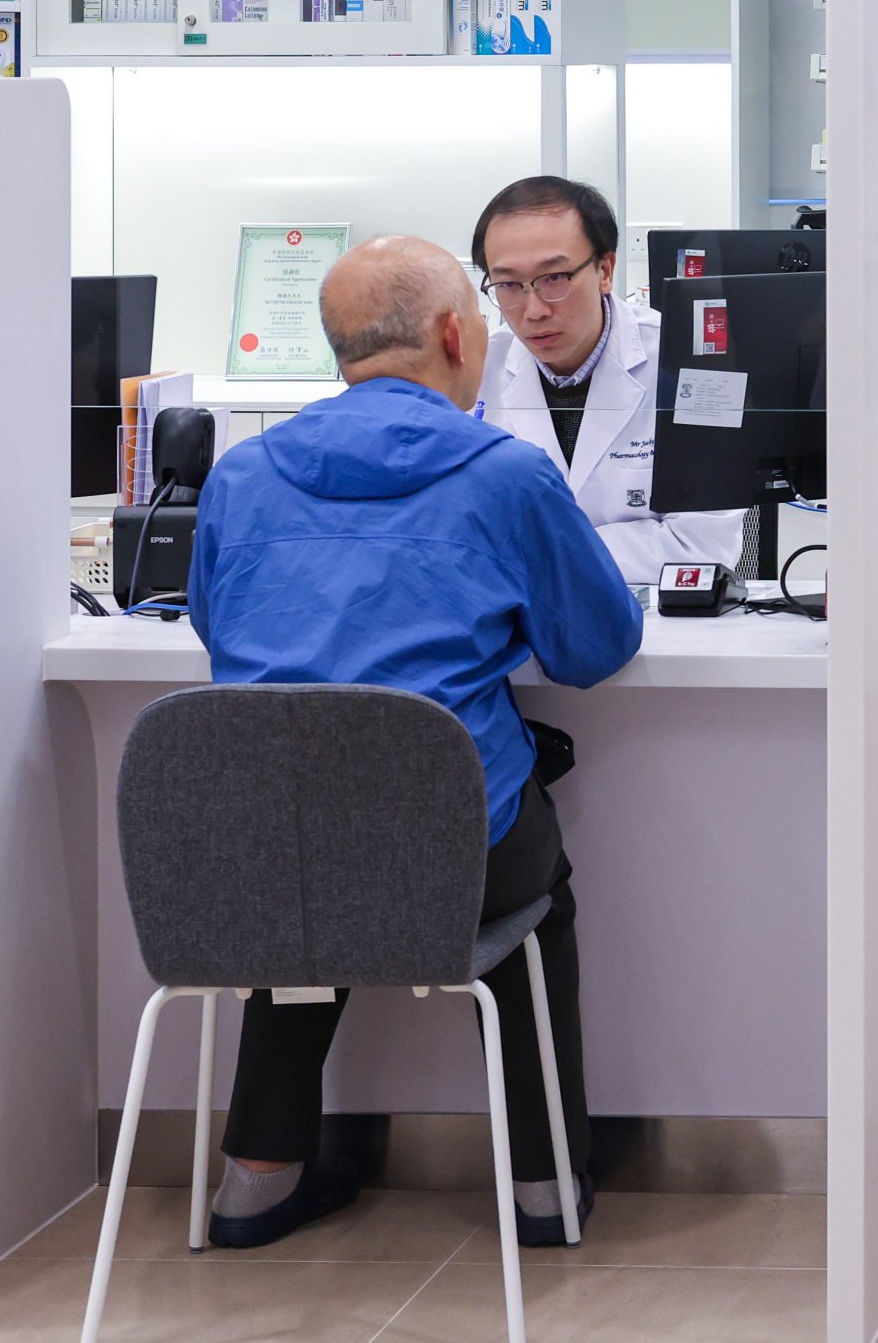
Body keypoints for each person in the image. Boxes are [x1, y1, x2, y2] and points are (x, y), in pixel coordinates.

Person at [185, 235, 642, 1251]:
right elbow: (593, 650)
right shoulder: (507, 476)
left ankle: (255, 1180)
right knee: (529, 900)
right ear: (452, 333)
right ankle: (542, 1184)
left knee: (311, 866)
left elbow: (221, 634)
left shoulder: (242, 475)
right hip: (451, 855)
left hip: (266, 853)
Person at [472, 175, 741, 580]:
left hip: (661, 628)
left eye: (554, 278)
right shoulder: (476, 371)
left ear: (605, 270)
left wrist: (544, 552)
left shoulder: (699, 366)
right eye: (509, 284)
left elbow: (706, 545)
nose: (533, 310)